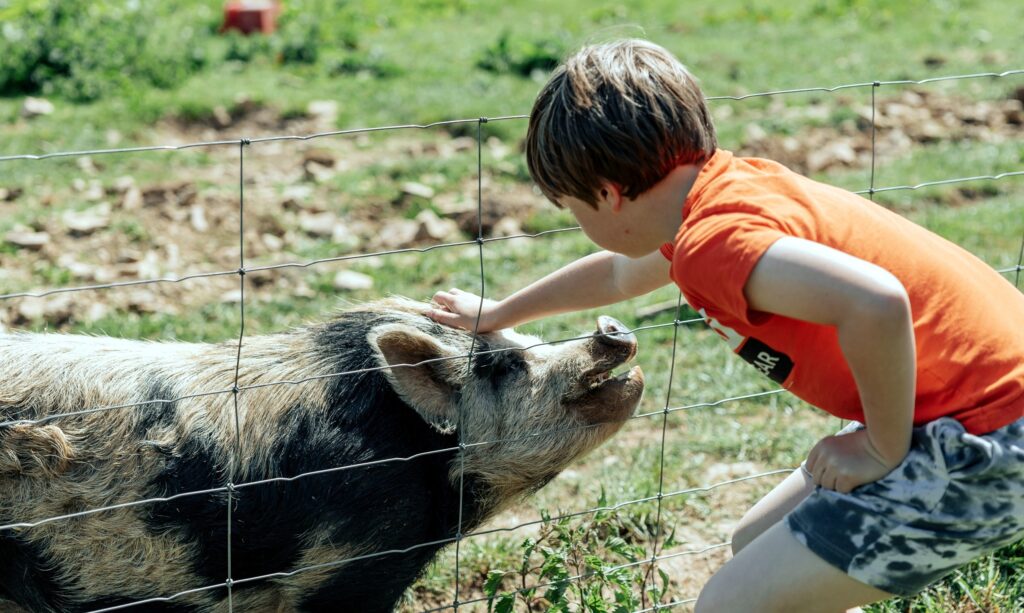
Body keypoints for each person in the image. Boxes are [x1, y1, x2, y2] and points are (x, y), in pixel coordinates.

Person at [427, 38, 1024, 612]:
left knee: (730, 605)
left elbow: (878, 302)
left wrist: (878, 445)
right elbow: (617, 276)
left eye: (571, 208)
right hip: (974, 409)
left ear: (608, 195)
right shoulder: (714, 198)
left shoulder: (713, 244)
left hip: (988, 438)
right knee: (753, 547)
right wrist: (501, 314)